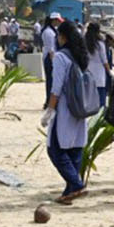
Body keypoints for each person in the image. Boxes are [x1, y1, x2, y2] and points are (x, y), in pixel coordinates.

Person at [42, 20, 92, 205]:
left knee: (55, 149)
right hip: (80, 107)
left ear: (62, 37)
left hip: (64, 107)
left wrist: (50, 110)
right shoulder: (81, 56)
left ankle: (76, 184)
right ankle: (69, 192)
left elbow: (56, 87)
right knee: (75, 148)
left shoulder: (61, 57)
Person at [85, 23, 111, 107]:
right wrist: (109, 72)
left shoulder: (84, 42)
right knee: (101, 103)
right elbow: (104, 61)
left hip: (88, 73)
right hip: (99, 75)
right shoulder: (100, 44)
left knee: (89, 101)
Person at [40, 12, 61, 108]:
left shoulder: (52, 31)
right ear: (54, 20)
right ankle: (49, 101)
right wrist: (54, 63)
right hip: (50, 58)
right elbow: (51, 49)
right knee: (51, 81)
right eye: (57, 20)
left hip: (52, 57)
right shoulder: (49, 32)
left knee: (52, 81)